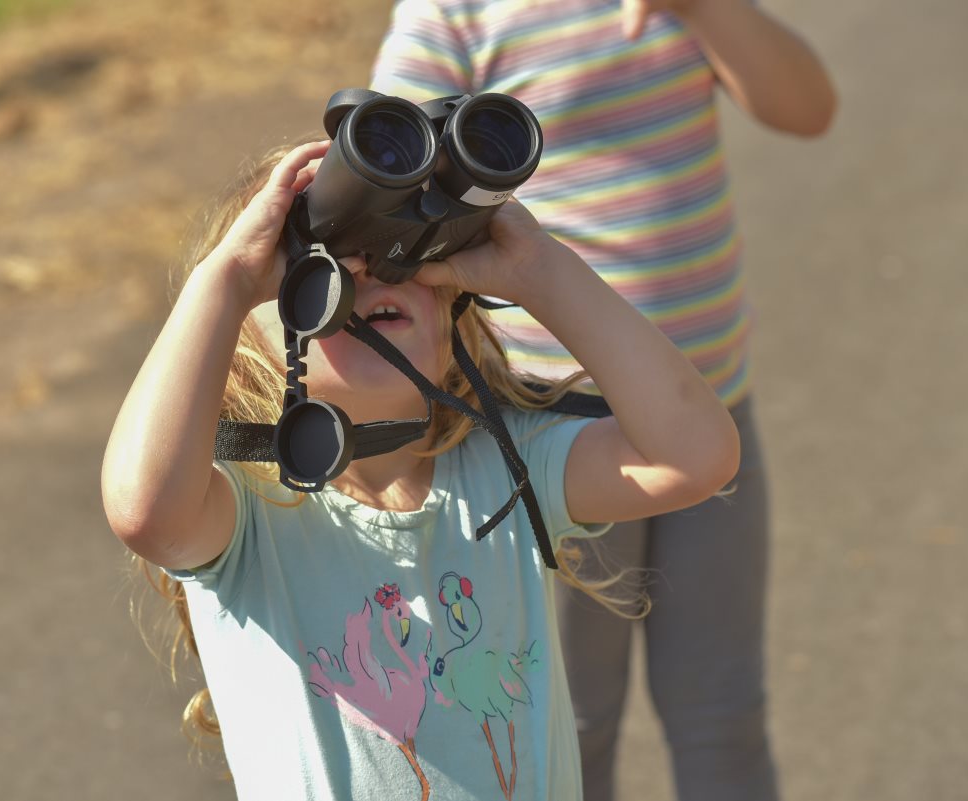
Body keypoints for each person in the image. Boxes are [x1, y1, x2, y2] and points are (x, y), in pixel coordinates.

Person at [100, 138, 740, 800]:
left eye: (406, 252)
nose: (372, 271)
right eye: (316, 260)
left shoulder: (504, 467)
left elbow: (695, 455)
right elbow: (141, 508)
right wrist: (228, 276)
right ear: (240, 342)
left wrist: (539, 270)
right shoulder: (243, 514)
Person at [369, 2, 837, 799]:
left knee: (723, 712)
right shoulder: (458, 11)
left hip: (712, 411)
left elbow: (809, 109)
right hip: (557, 441)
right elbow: (387, 176)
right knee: (569, 726)